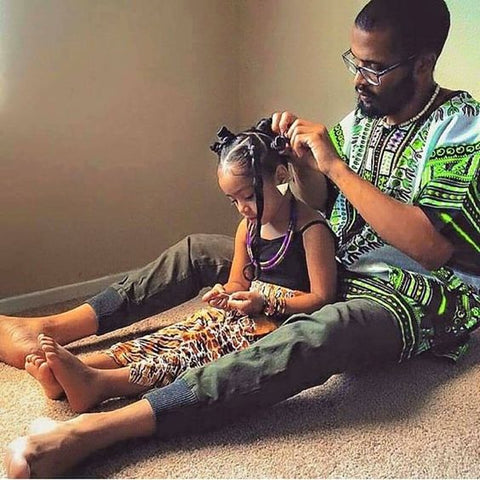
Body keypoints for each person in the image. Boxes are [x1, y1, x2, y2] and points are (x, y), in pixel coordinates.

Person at [3, 0, 480, 477]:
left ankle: (102, 428)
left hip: (415, 291)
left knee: (323, 330)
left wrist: (334, 163)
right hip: (336, 257)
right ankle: (50, 329)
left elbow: (430, 246)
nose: (359, 79)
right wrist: (305, 164)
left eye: (374, 68)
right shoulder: (366, 116)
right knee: (199, 250)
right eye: (355, 61)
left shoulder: (463, 126)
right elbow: (324, 202)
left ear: (422, 63)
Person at [23, 119, 337, 413]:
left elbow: (322, 299)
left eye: (249, 196)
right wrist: (224, 294)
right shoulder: (248, 227)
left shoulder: (311, 229)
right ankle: (80, 368)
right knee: (180, 332)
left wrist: (265, 301)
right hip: (245, 310)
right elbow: (238, 283)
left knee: (193, 353)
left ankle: (99, 385)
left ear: (281, 178)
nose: (243, 208)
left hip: (276, 323)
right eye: (233, 200)